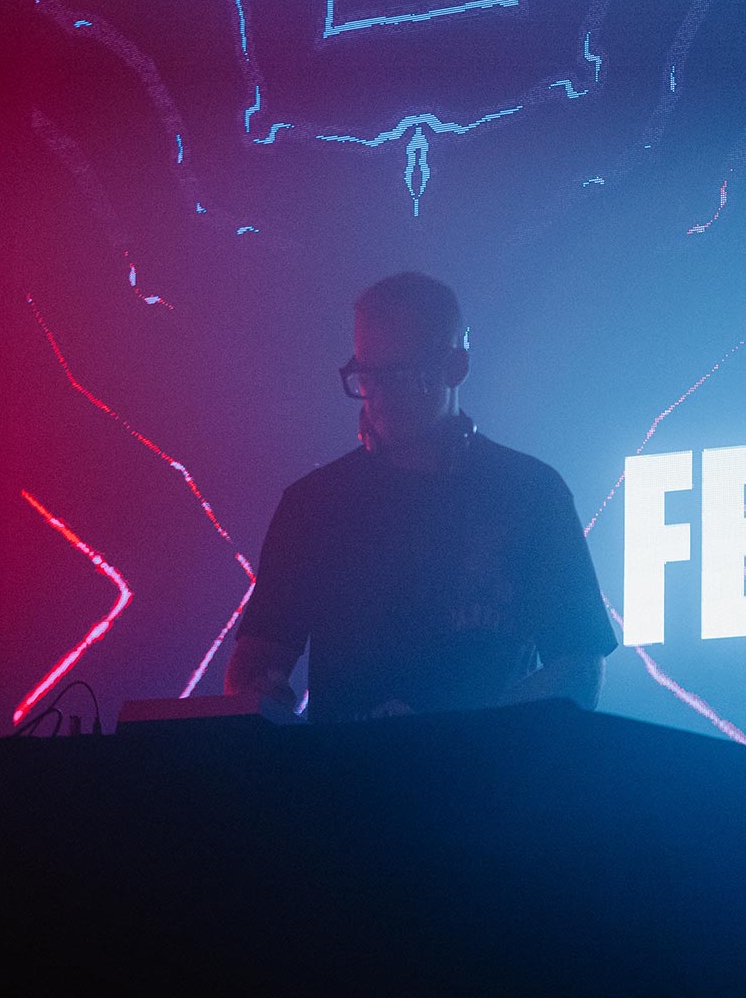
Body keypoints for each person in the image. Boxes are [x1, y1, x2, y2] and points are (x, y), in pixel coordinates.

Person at [223, 272, 616, 722]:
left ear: (456, 368)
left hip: (484, 768)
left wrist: (456, 739)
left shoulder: (531, 494)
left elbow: (579, 670)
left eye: (402, 376)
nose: (378, 398)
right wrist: (264, 698)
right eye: (367, 376)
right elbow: (254, 667)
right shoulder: (314, 506)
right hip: (348, 769)